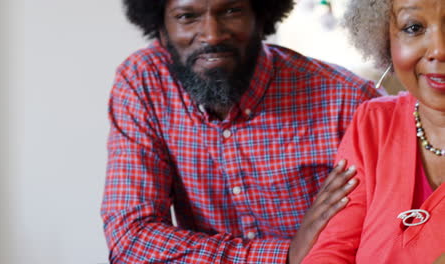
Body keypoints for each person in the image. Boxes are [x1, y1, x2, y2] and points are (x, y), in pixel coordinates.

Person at [100, 0, 381, 263]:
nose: (211, 35)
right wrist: (283, 255)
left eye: (231, 11)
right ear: (161, 29)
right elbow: (129, 238)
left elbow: (389, 236)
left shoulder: (349, 102)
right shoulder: (144, 82)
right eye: (187, 16)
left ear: (260, 16)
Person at [302, 0, 445, 263]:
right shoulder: (374, 122)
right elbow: (331, 251)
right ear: (386, 39)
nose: (439, 50)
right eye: (413, 27)